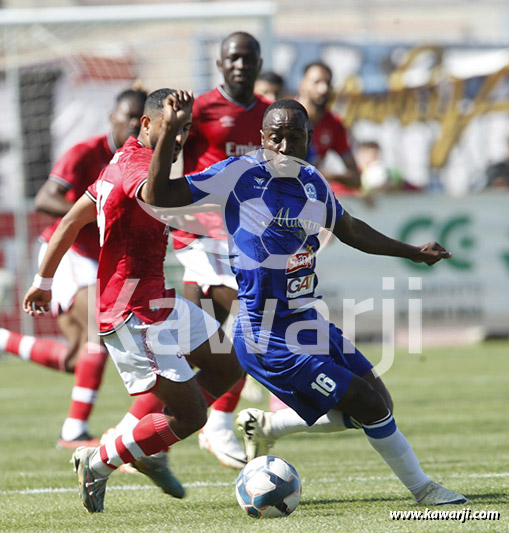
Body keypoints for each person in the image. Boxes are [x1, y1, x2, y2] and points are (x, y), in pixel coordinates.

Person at [134, 97, 467, 506]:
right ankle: (425, 490)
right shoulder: (239, 173)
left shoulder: (313, 181)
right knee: (366, 404)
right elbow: (160, 193)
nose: (286, 147)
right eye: (277, 138)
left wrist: (412, 252)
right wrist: (168, 133)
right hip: (263, 334)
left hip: (305, 320)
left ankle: (270, 426)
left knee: (380, 403)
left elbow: (351, 230)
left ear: (309, 138)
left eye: (296, 137)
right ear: (263, 139)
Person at [23, 88, 243, 513]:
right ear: (147, 125)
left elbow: (71, 220)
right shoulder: (135, 168)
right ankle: (102, 458)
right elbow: (156, 194)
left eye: (185, 130)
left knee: (228, 366)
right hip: (131, 313)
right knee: (193, 416)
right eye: (170, 128)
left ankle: (154, 440)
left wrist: (42, 280)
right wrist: (45, 280)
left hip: (158, 301)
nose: (178, 139)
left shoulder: (119, 162)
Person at [0, 88, 147, 449]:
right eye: (126, 115)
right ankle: (73, 432)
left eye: (138, 118)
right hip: (67, 254)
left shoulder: (143, 160)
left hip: (99, 261)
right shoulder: (86, 152)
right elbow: (44, 197)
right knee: (100, 332)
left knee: (76, 357)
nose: (131, 124)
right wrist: (91, 213)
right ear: (112, 116)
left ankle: (2, 339)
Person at [166, 31, 270, 469]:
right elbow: (162, 154)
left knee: (205, 353)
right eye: (233, 58)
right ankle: (219, 424)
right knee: (254, 323)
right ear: (221, 64)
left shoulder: (269, 114)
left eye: (248, 57)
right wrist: (175, 127)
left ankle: (140, 441)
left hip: (247, 241)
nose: (241, 64)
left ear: (259, 62)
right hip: (203, 238)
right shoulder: (202, 109)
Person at [298, 61, 361, 197]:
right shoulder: (283, 116)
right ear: (302, 85)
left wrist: (326, 175)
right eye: (317, 82)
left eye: (328, 83)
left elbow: (355, 179)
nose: (323, 89)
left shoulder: (334, 124)